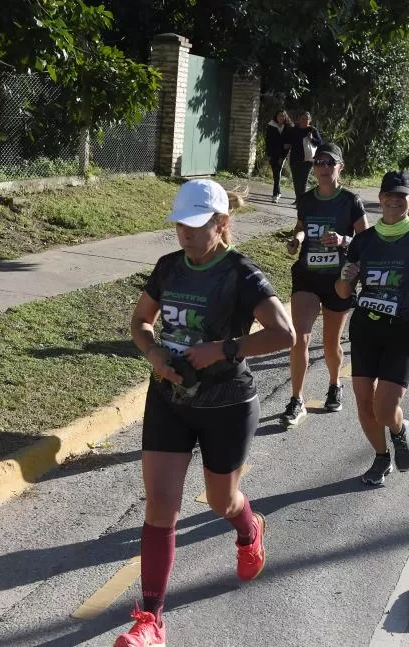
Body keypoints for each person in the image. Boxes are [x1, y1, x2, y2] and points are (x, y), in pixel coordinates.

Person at [118, 179, 296, 647]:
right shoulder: (168, 268)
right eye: (180, 225)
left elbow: (285, 334)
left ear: (222, 223)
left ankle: (248, 526)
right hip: (169, 399)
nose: (186, 234)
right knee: (161, 507)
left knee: (222, 501)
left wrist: (224, 348)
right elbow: (139, 323)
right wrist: (154, 353)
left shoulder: (242, 274)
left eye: (196, 226)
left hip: (227, 406)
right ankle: (151, 620)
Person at [334, 170, 409, 486]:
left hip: (403, 329)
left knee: (385, 409)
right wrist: (346, 276)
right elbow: (343, 293)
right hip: (366, 328)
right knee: (362, 399)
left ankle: (399, 431)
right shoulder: (364, 241)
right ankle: (381, 457)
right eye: (389, 195)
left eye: (403, 196)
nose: (394, 201)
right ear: (381, 198)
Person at [281, 142, 368, 427]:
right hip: (307, 276)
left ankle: (334, 384)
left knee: (331, 343)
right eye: (319, 162)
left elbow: (367, 242)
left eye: (330, 163)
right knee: (300, 338)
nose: (323, 167)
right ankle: (297, 399)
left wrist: (344, 241)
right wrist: (297, 241)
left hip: (338, 279)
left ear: (340, 167)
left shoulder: (351, 201)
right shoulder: (306, 200)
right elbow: (301, 227)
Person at [287, 111, 322, 202]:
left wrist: (311, 138)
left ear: (310, 120)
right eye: (303, 119)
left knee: (303, 181)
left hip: (307, 160)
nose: (305, 121)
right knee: (296, 181)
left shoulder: (312, 130)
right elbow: (289, 140)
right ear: (299, 119)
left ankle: (301, 201)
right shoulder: (295, 129)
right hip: (294, 159)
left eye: (307, 119)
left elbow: (319, 143)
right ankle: (298, 199)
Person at [265, 109, 293, 204]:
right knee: (276, 174)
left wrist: (283, 157)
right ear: (276, 117)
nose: (281, 117)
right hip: (273, 153)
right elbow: (267, 141)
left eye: (283, 116)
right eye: (279, 116)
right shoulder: (271, 126)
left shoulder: (288, 127)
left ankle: (275, 195)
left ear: (285, 117)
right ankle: (278, 192)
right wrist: (268, 154)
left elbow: (288, 143)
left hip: (282, 153)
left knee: (277, 173)